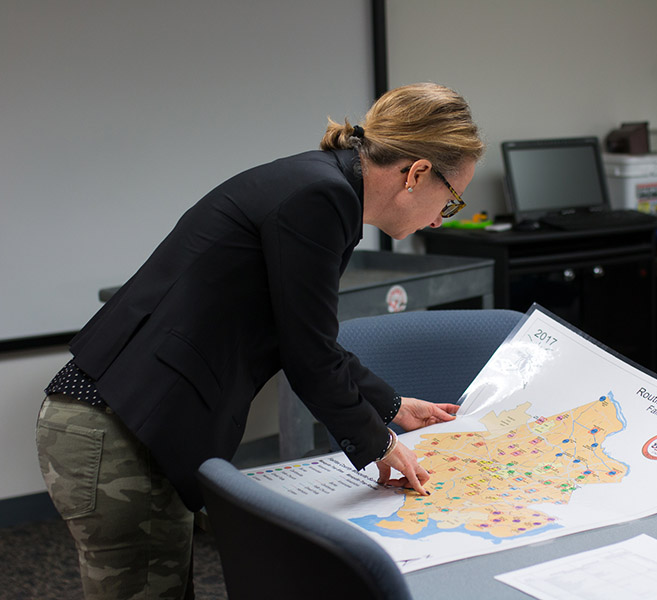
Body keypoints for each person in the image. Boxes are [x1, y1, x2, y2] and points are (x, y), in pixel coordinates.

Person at [35, 82, 484, 599]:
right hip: (116, 432)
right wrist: (381, 445)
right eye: (449, 202)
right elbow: (308, 356)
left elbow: (308, 335)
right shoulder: (322, 196)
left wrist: (391, 405)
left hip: (125, 424)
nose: (439, 217)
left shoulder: (320, 184)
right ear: (418, 173)